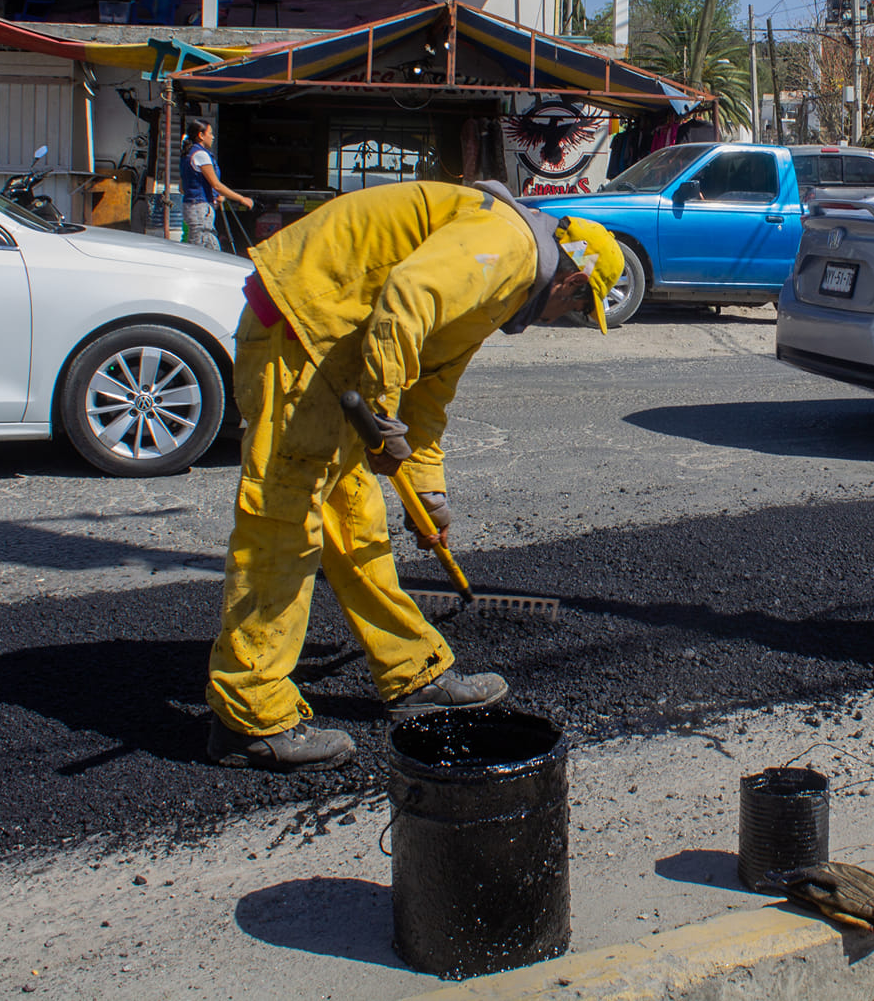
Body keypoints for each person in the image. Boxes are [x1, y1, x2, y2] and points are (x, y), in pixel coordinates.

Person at [206, 179, 625, 772]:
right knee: (284, 521)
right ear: (573, 281)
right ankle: (249, 716)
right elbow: (407, 298)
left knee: (356, 519)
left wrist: (427, 491)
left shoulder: (505, 285)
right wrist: (380, 410)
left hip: (334, 345)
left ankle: (412, 673)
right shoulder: (507, 248)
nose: (569, 319)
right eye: (581, 309)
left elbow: (431, 386)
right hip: (301, 333)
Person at [180, 120, 253, 250]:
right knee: (201, 248)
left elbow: (182, 187)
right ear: (201, 135)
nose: (213, 137)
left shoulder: (187, 154)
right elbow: (216, 185)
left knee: (209, 246)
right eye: (210, 133)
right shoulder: (201, 155)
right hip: (200, 208)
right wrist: (241, 198)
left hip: (191, 206)